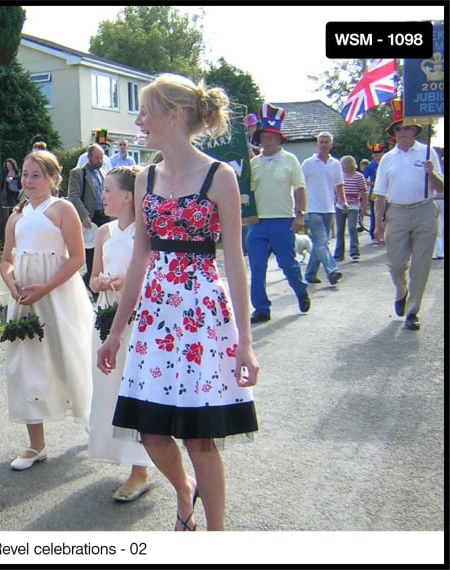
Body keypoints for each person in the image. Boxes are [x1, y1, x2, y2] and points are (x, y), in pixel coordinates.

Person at [97, 74, 259, 532]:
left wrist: (245, 343)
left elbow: (235, 262)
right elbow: (141, 259)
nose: (138, 119)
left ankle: (215, 535)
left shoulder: (218, 175)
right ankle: (183, 489)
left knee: (199, 435)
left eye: (146, 110)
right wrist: (114, 334)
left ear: (174, 115)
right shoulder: (144, 177)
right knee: (151, 432)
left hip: (203, 316)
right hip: (154, 316)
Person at [0, 150, 94, 470]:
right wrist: (12, 283)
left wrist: (48, 286)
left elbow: (77, 258)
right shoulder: (17, 215)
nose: (28, 181)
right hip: (26, 299)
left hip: (58, 295)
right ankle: (35, 444)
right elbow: (6, 260)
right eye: (25, 174)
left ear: (54, 178)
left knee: (70, 354)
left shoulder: (62, 209)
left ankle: (92, 418)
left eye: (36, 175)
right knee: (25, 365)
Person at [87, 165, 152, 503]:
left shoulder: (146, 231)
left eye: (108, 190)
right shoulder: (104, 232)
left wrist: (127, 282)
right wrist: (99, 282)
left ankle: (140, 467)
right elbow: (94, 275)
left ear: (128, 196)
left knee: (134, 387)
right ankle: (123, 455)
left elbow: (149, 273)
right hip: (106, 312)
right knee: (109, 386)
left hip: (136, 318)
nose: (103, 195)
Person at [373, 99, 444, 331]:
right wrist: (378, 224)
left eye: (406, 127)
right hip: (399, 214)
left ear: (415, 130)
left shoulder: (427, 151)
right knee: (395, 264)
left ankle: (413, 311)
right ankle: (401, 291)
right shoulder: (387, 158)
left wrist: (431, 174)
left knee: (420, 266)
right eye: (398, 128)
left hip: (424, 210)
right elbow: (380, 194)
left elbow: (441, 187)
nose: (402, 132)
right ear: (394, 133)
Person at [246, 103, 311, 323]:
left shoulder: (290, 160)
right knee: (256, 266)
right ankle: (261, 307)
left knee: (287, 264)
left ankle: (300, 289)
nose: (267, 140)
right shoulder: (253, 163)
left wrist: (299, 214)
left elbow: (300, 188)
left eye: (272, 136)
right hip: (258, 222)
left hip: (283, 221)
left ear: (279, 139)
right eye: (264, 135)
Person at [301, 132, 346, 282]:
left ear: (331, 145)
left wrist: (343, 201)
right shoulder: (308, 163)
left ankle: (310, 274)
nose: (323, 145)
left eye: (326, 142)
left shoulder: (335, 164)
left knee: (319, 244)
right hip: (312, 208)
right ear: (317, 144)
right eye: (321, 142)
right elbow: (299, 186)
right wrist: (299, 208)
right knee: (321, 241)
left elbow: (339, 185)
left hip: (329, 208)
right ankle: (332, 271)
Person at [68, 143, 114, 291]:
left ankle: (95, 282)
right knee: (91, 254)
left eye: (101, 158)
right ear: (89, 157)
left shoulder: (104, 173)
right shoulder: (79, 173)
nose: (100, 161)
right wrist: (84, 215)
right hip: (90, 218)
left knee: (105, 251)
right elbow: (73, 196)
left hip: (104, 216)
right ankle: (90, 284)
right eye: (96, 158)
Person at [334, 155, 368, 262]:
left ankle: (354, 251)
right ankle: (339, 253)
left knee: (352, 228)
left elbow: (364, 191)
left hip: (353, 205)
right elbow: (335, 190)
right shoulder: (340, 176)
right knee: (340, 230)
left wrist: (363, 206)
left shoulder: (359, 176)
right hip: (340, 205)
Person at [364, 143, 385, 241]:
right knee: (375, 214)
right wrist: (373, 183)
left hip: (387, 192)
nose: (378, 157)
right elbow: (364, 180)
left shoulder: (387, 163)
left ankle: (385, 234)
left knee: (387, 214)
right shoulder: (370, 166)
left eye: (380, 155)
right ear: (372, 155)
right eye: (376, 155)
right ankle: (374, 234)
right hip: (375, 193)